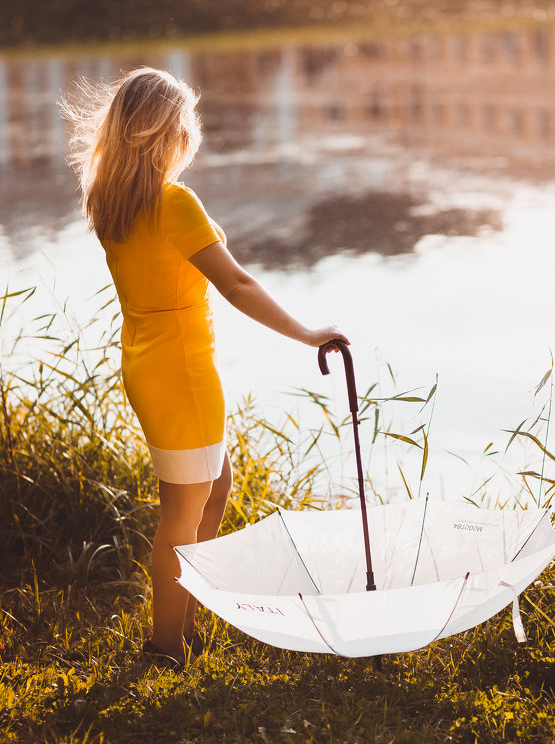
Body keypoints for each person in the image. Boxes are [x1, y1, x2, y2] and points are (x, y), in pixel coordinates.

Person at [65, 67, 347, 668]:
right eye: (185, 123)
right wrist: (308, 334)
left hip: (147, 364)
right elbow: (237, 284)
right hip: (183, 374)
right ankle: (165, 647)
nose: (191, 134)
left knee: (213, 488)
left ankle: (184, 620)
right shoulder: (172, 202)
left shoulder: (109, 200)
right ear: (168, 132)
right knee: (181, 510)